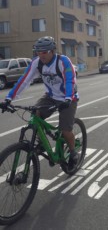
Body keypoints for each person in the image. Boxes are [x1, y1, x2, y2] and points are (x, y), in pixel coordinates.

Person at [0, 36, 79, 169]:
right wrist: (8, 99)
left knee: (65, 130)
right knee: (35, 113)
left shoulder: (63, 61)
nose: (41, 55)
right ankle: (42, 142)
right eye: (38, 52)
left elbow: (70, 80)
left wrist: (68, 98)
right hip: (51, 96)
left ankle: (72, 153)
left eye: (44, 52)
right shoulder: (37, 63)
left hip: (68, 98)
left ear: (53, 51)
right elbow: (24, 80)